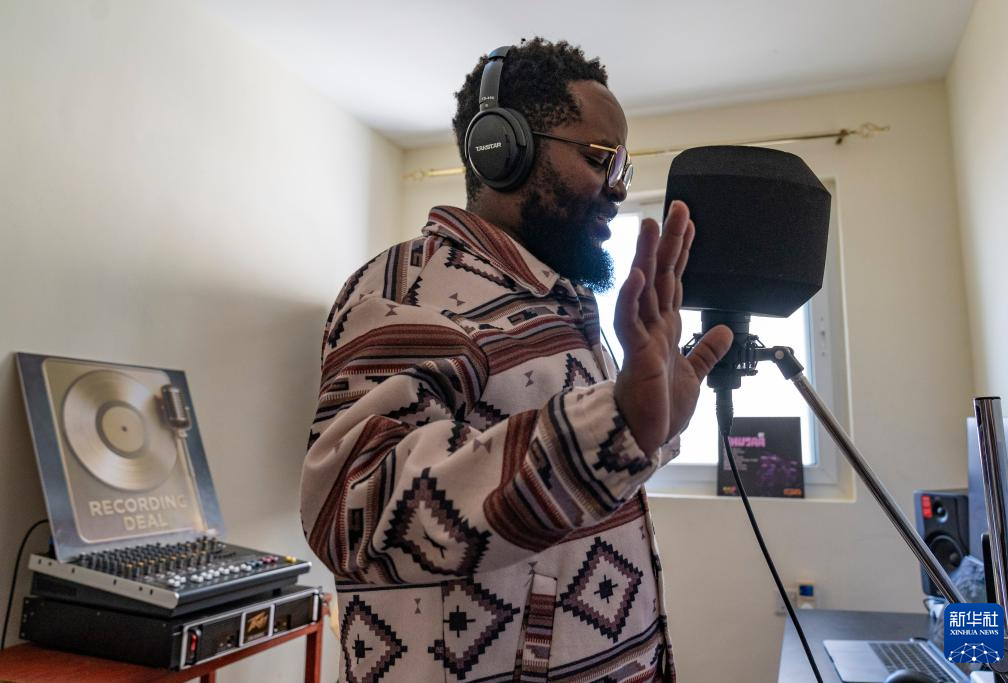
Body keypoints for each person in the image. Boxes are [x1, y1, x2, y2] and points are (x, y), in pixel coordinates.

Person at [300, 38, 732, 682]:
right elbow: (351, 514)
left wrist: (652, 424)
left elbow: (577, 474)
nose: (618, 189)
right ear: (500, 149)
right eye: (600, 158)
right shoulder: (410, 286)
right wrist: (613, 423)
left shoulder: (563, 302)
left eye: (624, 166)